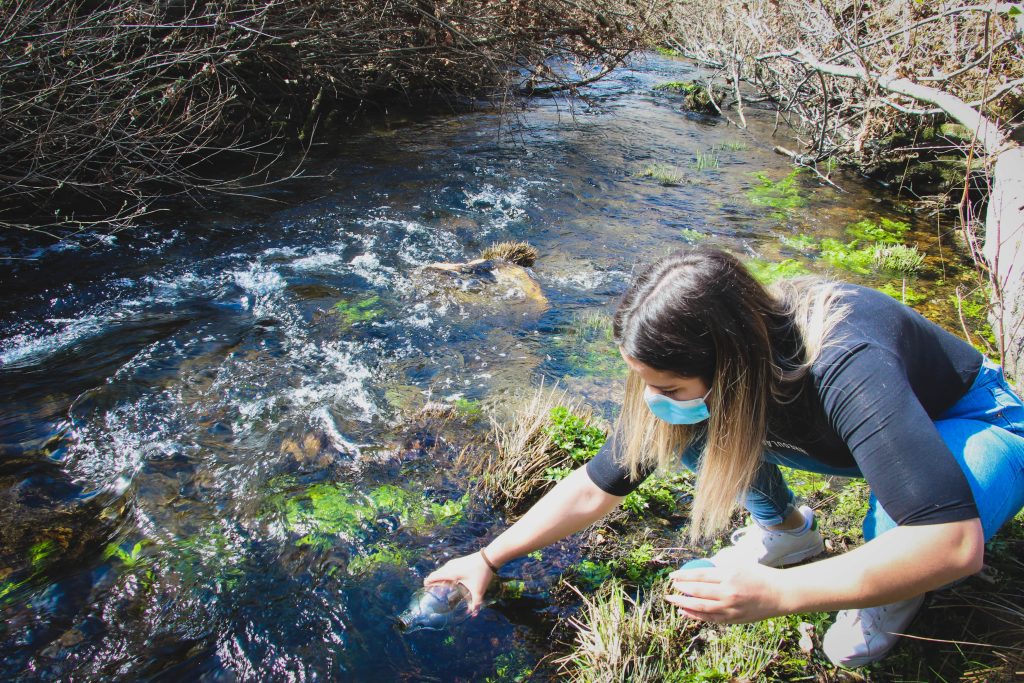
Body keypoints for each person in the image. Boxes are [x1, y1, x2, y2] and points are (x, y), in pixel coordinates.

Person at [425, 246, 1024, 667]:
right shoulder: (723, 368)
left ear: (733, 364)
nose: (653, 402)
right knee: (676, 433)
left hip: (974, 421)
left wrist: (777, 596)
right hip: (857, 439)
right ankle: (787, 534)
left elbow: (952, 543)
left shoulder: (846, 361)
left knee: (902, 530)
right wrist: (488, 556)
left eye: (670, 388)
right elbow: (594, 485)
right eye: (646, 383)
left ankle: (890, 594)